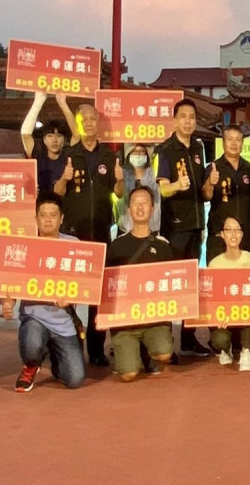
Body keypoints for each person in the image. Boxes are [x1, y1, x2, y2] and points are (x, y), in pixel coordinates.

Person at [55, 103, 124, 367]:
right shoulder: (69, 154)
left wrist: (119, 179)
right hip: (73, 234)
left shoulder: (109, 155)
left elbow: (118, 193)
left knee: (98, 295)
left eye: (93, 119)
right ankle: (70, 345)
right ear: (79, 123)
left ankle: (96, 349)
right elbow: (58, 192)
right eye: (84, 119)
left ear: (99, 123)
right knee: (70, 293)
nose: (89, 123)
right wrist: (65, 177)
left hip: (101, 233)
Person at [0, 193, 86, 391]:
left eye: (53, 215)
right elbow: (12, 282)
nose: (48, 220)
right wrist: (8, 304)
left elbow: (84, 286)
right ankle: (31, 365)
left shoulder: (74, 245)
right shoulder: (24, 244)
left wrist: (72, 299)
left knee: (75, 379)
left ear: (61, 218)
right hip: (34, 318)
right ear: (36, 218)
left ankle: (56, 359)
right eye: (43, 215)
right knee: (32, 343)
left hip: (63, 322)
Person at [154, 98, 212, 360]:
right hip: (174, 228)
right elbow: (162, 188)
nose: (188, 121)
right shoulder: (164, 150)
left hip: (196, 227)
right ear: (174, 120)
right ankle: (166, 343)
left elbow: (202, 190)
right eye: (183, 117)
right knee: (171, 285)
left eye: (192, 117)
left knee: (191, 286)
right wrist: (177, 185)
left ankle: (188, 340)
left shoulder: (198, 148)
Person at [105, 186, 176, 381]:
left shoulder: (163, 246)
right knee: (128, 375)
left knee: (164, 353)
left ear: (152, 209)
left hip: (154, 320)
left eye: (145, 203)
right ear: (128, 209)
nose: (140, 207)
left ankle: (148, 351)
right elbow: (108, 287)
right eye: (136, 203)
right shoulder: (117, 245)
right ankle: (130, 351)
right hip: (126, 323)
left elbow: (171, 285)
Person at [209, 216, 250, 372]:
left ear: (242, 234)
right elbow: (210, 297)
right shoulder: (214, 264)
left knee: (248, 305)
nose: (233, 234)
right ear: (222, 234)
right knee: (219, 340)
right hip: (224, 317)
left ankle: (245, 351)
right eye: (229, 230)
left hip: (244, 315)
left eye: (237, 230)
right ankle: (226, 348)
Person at [203, 124, 250, 264]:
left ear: (242, 143)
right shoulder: (213, 167)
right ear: (223, 142)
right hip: (219, 237)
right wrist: (210, 182)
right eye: (230, 139)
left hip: (242, 237)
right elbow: (206, 195)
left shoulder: (249, 168)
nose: (234, 143)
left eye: (238, 139)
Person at [20, 91, 78, 194]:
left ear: (64, 139)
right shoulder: (37, 157)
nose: (55, 140)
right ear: (44, 140)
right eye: (50, 136)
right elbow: (25, 134)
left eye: (59, 136)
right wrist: (38, 102)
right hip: (42, 205)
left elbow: (77, 134)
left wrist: (63, 105)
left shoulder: (68, 156)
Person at [116, 142, 160, 236]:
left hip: (151, 231)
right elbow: (118, 193)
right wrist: (120, 180)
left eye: (142, 152)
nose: (138, 155)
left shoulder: (155, 173)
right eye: (134, 152)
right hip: (126, 230)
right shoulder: (122, 172)